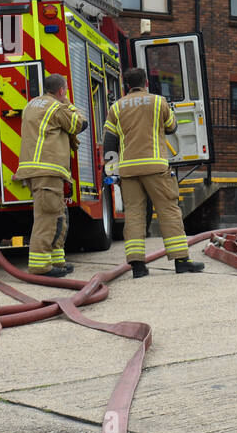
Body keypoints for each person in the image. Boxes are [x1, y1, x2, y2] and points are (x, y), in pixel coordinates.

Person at [103, 67, 203, 278]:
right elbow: (172, 127)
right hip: (155, 167)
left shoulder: (116, 107)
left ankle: (138, 267)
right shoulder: (158, 102)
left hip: (128, 170)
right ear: (146, 82)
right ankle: (181, 261)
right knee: (168, 210)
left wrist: (112, 170)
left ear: (127, 85)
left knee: (134, 215)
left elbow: (110, 140)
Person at [13, 73, 87, 277]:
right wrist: (69, 105)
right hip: (47, 170)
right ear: (62, 90)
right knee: (47, 217)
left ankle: (56, 260)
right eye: (65, 91)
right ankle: (40, 265)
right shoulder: (56, 107)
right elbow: (79, 124)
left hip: (37, 170)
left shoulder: (31, 104)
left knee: (57, 214)